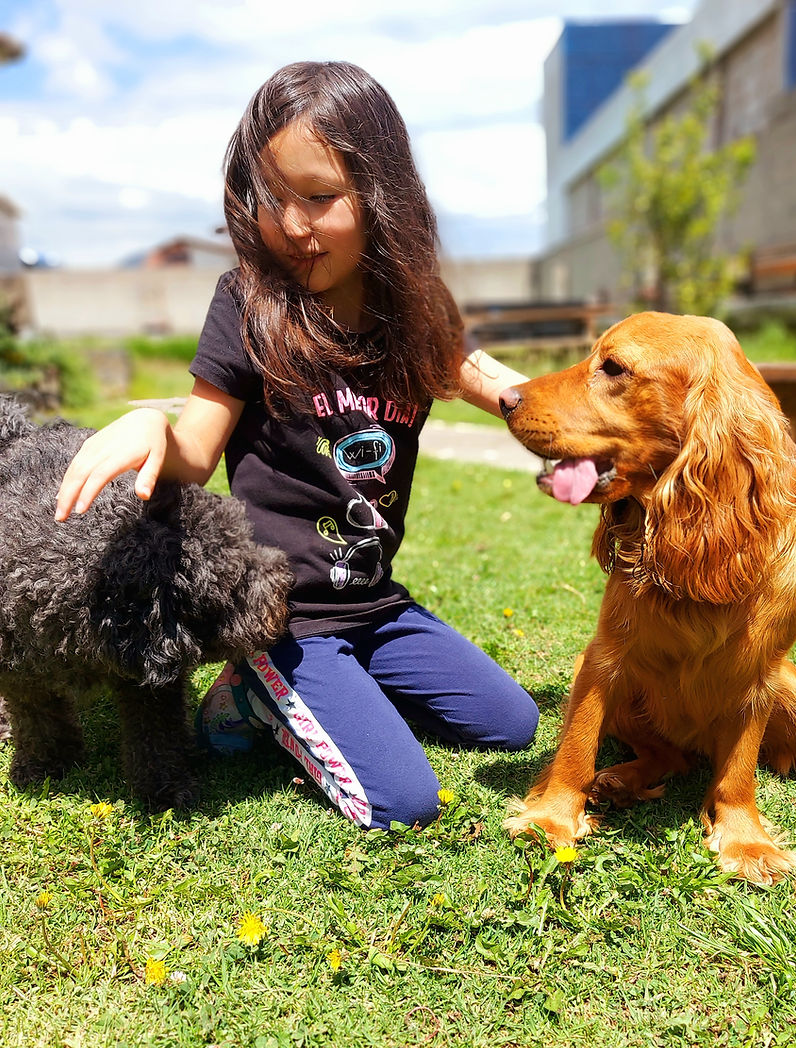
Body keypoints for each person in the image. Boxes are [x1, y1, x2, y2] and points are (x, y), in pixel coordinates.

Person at [56, 60, 538, 830]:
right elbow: (194, 451)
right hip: (282, 613)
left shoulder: (412, 312)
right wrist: (155, 425)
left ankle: (342, 690)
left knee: (511, 724)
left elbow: (496, 386)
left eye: (319, 198)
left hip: (376, 603)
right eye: (272, 198)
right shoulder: (248, 304)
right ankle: (251, 686)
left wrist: (572, 425)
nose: (291, 225)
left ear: (384, 196)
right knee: (401, 802)